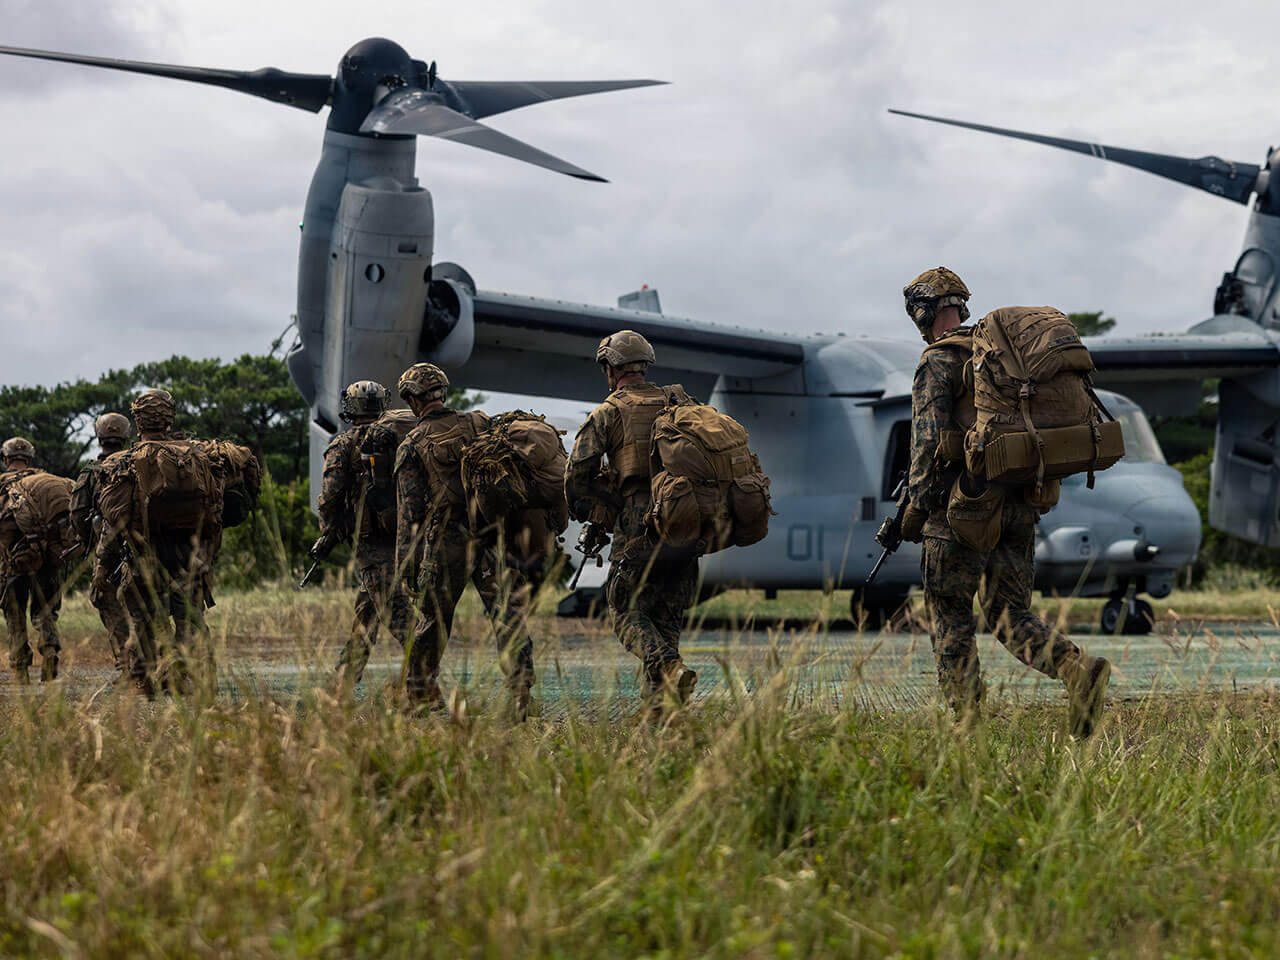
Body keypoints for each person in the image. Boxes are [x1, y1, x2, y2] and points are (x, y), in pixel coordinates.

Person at [899, 267, 1110, 736]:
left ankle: (966, 720)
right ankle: (1075, 668)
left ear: (922, 313)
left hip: (962, 506)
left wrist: (916, 506)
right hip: (1022, 500)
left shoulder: (939, 361)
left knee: (950, 607)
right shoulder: (997, 355)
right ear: (962, 307)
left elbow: (927, 443)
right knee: (1009, 610)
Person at [564, 330, 698, 720]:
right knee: (665, 614)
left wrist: (602, 509)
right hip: (685, 522)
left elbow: (576, 477)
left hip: (638, 525)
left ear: (611, 368)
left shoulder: (608, 412)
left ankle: (670, 668)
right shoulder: (681, 404)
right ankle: (658, 711)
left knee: (624, 610)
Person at [393, 363, 534, 718]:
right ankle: (521, 693)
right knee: (506, 613)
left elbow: (409, 514)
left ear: (412, 399)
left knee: (432, 621)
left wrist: (405, 565)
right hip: (489, 536)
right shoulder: (479, 423)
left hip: (444, 542)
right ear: (442, 391)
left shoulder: (412, 444)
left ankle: (418, 696)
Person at [96, 389, 222, 694]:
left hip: (144, 557)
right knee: (190, 619)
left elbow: (113, 517)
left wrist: (104, 561)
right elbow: (216, 510)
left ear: (137, 421)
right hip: (190, 556)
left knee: (144, 620)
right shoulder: (197, 458)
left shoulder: (125, 461)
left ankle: (156, 678)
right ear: (170, 418)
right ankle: (200, 681)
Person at [315, 380, 411, 689]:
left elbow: (329, 497)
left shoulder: (344, 444)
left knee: (399, 618)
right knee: (367, 610)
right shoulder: (403, 437)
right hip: (407, 533)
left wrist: (328, 532)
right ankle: (343, 681)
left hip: (371, 541)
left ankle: (425, 685)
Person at [70, 413, 133, 670]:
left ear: (99, 438)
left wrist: (86, 544)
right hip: (143, 549)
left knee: (107, 601)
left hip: (106, 552)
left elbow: (77, 514)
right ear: (126, 436)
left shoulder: (90, 473)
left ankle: (128, 666)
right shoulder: (137, 464)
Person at [0, 438, 65, 683]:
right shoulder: (45, 482)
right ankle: (49, 649)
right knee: (45, 609)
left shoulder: (2, 485)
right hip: (47, 557)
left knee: (14, 612)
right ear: (29, 459)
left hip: (13, 561)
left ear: (5, 460)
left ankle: (20, 670)